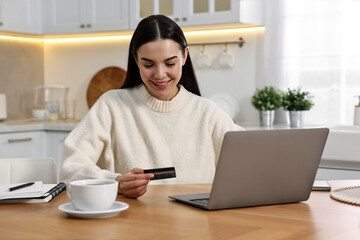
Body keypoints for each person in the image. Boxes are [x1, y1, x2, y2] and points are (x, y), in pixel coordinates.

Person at [60, 15, 244, 198]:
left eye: (170, 63)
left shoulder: (207, 111)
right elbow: (70, 170)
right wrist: (115, 182)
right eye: (148, 64)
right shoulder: (111, 105)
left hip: (196, 222)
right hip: (134, 220)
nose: (160, 74)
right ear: (136, 59)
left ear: (185, 56)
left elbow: (252, 160)